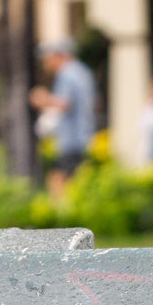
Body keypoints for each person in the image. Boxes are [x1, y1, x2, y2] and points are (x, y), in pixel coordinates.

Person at [29, 38, 96, 192]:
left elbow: (64, 103)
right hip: (83, 136)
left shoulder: (67, 74)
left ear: (57, 56)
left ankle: (62, 208)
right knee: (75, 179)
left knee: (59, 180)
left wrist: (42, 99)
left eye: (47, 59)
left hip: (71, 139)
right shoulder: (82, 71)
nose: (46, 64)